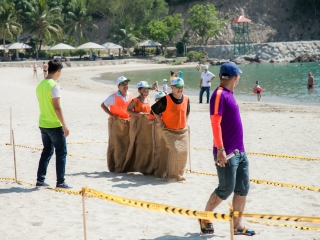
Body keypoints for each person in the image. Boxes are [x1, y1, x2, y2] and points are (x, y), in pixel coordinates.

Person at [198, 62, 255, 236]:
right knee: (225, 188)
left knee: (242, 188)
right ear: (235, 77)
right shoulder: (219, 95)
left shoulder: (229, 94)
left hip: (240, 151)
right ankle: (205, 216)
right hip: (226, 152)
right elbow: (215, 122)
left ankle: (237, 226)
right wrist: (220, 149)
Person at [35, 59, 72, 189]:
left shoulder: (40, 85)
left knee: (46, 151)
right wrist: (64, 124)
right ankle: (60, 182)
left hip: (43, 123)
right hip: (54, 124)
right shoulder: (54, 86)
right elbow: (57, 107)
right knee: (61, 152)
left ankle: (40, 180)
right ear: (58, 71)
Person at [151, 78, 190, 182]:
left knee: (184, 152)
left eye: (182, 87)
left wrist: (185, 122)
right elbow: (154, 109)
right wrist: (161, 122)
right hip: (169, 130)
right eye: (178, 87)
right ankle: (172, 176)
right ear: (172, 87)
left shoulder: (186, 98)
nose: (180, 89)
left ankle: (179, 175)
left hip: (182, 131)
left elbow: (187, 111)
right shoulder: (166, 99)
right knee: (175, 151)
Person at [100, 76, 133, 172]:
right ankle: (115, 166)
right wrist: (111, 114)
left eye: (127, 84)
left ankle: (125, 166)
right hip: (116, 123)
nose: (125, 86)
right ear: (118, 86)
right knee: (116, 144)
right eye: (123, 84)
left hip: (127, 122)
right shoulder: (113, 96)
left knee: (127, 143)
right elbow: (103, 105)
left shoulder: (130, 95)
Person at [122, 81, 153, 175]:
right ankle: (135, 166)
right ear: (139, 90)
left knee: (147, 145)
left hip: (147, 127)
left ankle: (146, 166)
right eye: (144, 89)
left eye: (147, 89)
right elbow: (128, 110)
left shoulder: (148, 100)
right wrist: (137, 114)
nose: (146, 91)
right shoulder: (135, 100)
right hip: (137, 126)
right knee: (137, 144)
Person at [149, 91, 168, 178]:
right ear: (156, 100)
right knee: (158, 150)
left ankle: (167, 169)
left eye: (162, 99)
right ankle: (157, 170)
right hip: (157, 133)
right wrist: (156, 121)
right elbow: (149, 121)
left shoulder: (168, 108)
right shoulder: (153, 110)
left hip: (167, 132)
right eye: (159, 99)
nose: (160, 101)